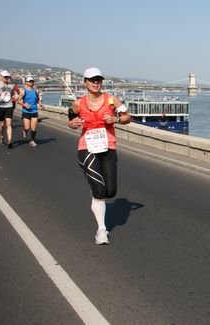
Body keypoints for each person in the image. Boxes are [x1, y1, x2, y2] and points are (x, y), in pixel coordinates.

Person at [67, 67, 131, 245]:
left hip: (108, 146)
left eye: (98, 80)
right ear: (85, 82)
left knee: (111, 191)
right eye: (92, 80)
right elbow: (70, 121)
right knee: (100, 190)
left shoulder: (111, 100)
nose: (96, 83)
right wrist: (74, 123)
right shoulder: (77, 104)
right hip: (86, 147)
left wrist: (116, 119)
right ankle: (101, 230)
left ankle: (97, 193)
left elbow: (127, 117)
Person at [0, 70, 17, 148]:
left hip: (9, 106)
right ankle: (1, 135)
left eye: (7, 76)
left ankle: (9, 141)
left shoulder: (11, 85)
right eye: (5, 76)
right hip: (0, 106)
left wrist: (15, 96)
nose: (6, 78)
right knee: (2, 124)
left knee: (8, 124)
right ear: (1, 76)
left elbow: (14, 94)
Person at [18, 76, 44, 147]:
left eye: (32, 81)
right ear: (26, 82)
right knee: (27, 128)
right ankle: (24, 131)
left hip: (34, 111)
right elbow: (19, 101)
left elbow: (38, 99)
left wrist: (41, 104)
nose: (31, 82)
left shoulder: (36, 91)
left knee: (34, 128)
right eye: (29, 81)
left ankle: (32, 140)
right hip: (26, 111)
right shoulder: (23, 91)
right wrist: (24, 105)